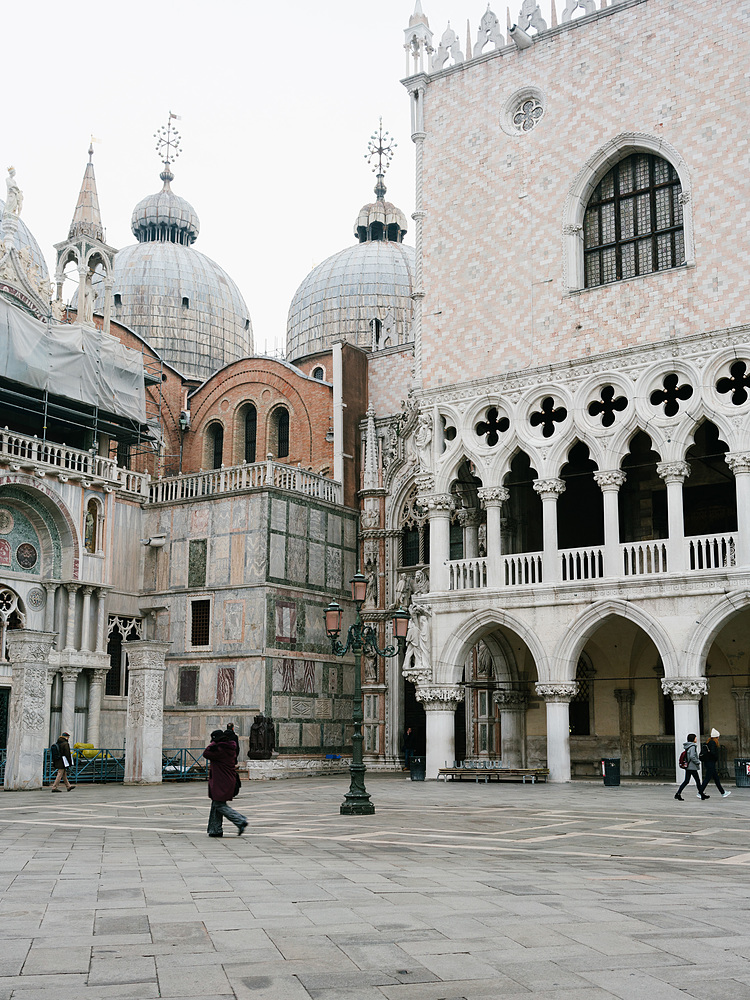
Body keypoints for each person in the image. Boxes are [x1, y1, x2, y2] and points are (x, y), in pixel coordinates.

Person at [203, 729, 247, 837]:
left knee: (219, 804)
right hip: (224, 780)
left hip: (222, 781)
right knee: (216, 804)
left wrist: (213, 743)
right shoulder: (227, 748)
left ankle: (240, 820)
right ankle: (215, 829)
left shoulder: (220, 750)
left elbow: (206, 753)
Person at [675, 733, 709, 800]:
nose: (696, 739)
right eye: (695, 738)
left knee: (687, 781)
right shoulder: (692, 746)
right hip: (692, 766)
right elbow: (692, 756)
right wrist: (697, 762)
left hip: (688, 766)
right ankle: (701, 794)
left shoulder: (688, 746)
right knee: (697, 781)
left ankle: (678, 794)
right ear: (693, 739)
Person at [700, 728, 731, 798]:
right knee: (707, 778)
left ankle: (723, 792)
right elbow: (713, 752)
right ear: (716, 737)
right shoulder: (713, 743)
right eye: (718, 736)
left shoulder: (708, 742)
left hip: (708, 762)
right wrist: (715, 757)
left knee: (716, 778)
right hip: (711, 763)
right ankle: (700, 792)